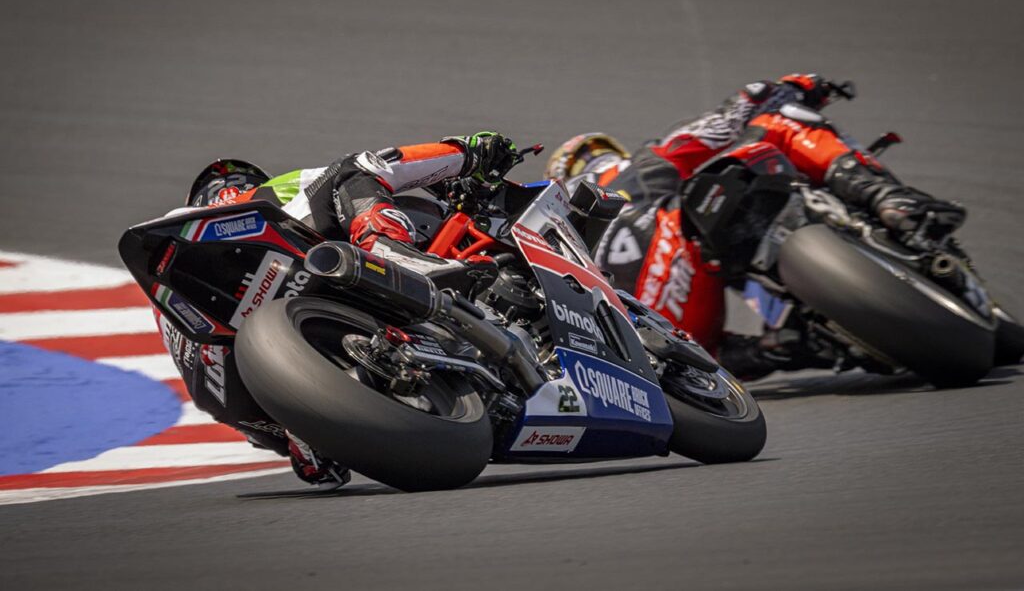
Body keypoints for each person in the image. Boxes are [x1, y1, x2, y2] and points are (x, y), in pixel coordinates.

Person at [545, 74, 966, 377]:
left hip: (666, 335)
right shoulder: (636, 166)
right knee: (780, 122)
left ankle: (787, 347)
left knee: (711, 348)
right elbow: (724, 121)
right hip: (684, 238)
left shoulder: (557, 238)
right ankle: (888, 199)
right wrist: (793, 86)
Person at [169, 132, 518, 486]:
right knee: (353, 169)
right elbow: (366, 168)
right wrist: (466, 154)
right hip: (273, 333)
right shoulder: (260, 196)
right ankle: (388, 248)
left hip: (241, 381)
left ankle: (307, 434)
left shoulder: (180, 325)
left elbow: (314, 469)